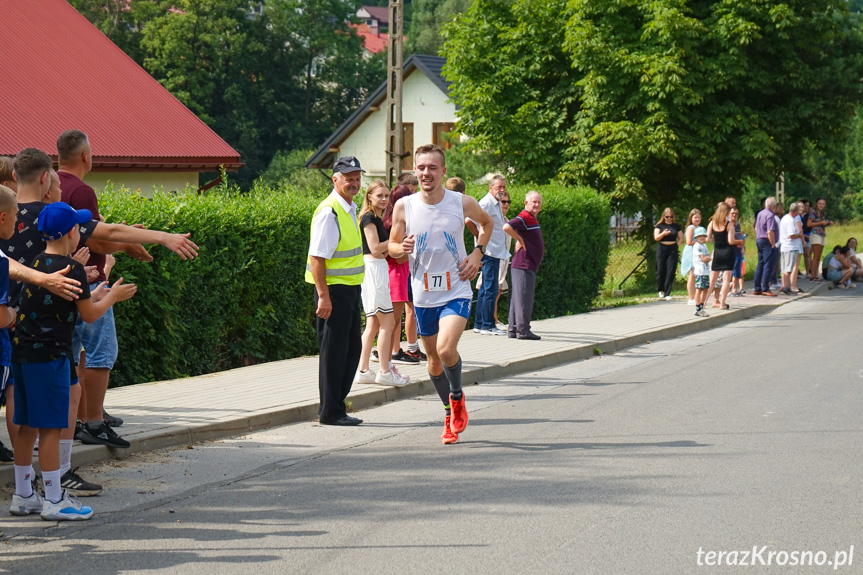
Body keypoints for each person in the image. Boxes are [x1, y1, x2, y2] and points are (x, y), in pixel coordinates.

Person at [55, 131, 199, 450]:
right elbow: (95, 238)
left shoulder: (53, 187)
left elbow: (93, 234)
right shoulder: (80, 189)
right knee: (101, 352)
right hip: (88, 280)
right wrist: (136, 240)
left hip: (59, 280)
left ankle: (79, 418)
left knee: (72, 351)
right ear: (85, 156)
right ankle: (93, 421)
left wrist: (125, 242)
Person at [9, 201, 136, 521]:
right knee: (51, 428)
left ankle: (24, 494)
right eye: (79, 228)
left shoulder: (37, 263)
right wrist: (111, 297)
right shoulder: (73, 268)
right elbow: (89, 315)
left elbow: (68, 304)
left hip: (23, 354)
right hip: (51, 358)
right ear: (69, 233)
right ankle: (54, 498)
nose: (81, 232)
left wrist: (96, 293)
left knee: (26, 426)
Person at [388, 144, 492, 444]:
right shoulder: (404, 206)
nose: (426, 173)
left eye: (432, 167)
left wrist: (477, 253)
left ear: (443, 171)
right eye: (421, 167)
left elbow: (487, 224)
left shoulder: (461, 202)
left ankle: (457, 397)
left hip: (456, 287)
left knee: (447, 350)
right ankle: (448, 412)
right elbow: (393, 247)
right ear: (415, 171)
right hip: (423, 295)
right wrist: (400, 249)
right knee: (433, 361)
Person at [305, 156, 366, 426]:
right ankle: (331, 411)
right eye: (348, 178)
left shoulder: (349, 208)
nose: (353, 182)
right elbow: (317, 257)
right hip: (334, 292)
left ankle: (334, 406)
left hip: (349, 290)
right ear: (335, 180)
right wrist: (323, 296)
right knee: (335, 353)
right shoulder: (329, 211)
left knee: (351, 350)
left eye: (356, 177)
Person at [353, 180, 408, 387]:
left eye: (386, 196)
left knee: (373, 323)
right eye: (379, 196)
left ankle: (363, 369)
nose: (384, 199)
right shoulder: (368, 218)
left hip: (378, 268)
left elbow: (382, 251)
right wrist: (395, 239)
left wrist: (395, 245)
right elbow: (375, 248)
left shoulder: (375, 217)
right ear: (369, 197)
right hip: (373, 269)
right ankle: (384, 371)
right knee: (388, 323)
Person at [381, 185, 425, 365]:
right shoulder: (398, 225)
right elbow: (398, 258)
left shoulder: (386, 221)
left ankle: (394, 352)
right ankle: (392, 355)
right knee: (393, 319)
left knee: (391, 319)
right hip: (397, 273)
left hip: (394, 272)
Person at [504, 191, 544, 340]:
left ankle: (513, 329)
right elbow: (507, 227)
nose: (537, 204)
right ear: (526, 203)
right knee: (524, 299)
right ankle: (523, 330)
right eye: (534, 202)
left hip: (526, 265)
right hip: (523, 264)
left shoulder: (531, 218)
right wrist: (519, 239)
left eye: (539, 202)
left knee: (518, 298)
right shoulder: (524, 217)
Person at [473, 175, 509, 335]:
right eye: (498, 187)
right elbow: (470, 221)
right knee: (489, 289)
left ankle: (480, 324)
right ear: (490, 187)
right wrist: (480, 245)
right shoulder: (486, 203)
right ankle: (487, 324)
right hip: (489, 251)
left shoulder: (495, 204)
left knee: (488, 289)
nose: (501, 190)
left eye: (503, 187)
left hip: (494, 251)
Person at [707, 202, 734, 309]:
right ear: (726, 212)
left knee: (712, 279)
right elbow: (731, 241)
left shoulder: (712, 223)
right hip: (727, 252)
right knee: (726, 279)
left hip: (717, 252)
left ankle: (703, 302)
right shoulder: (729, 224)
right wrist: (740, 241)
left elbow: (708, 238)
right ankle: (722, 303)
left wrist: (716, 239)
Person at [653, 207, 682, 300]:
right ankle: (661, 290)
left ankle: (667, 292)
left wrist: (677, 245)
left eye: (671, 217)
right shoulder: (659, 226)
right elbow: (656, 238)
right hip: (662, 248)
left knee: (670, 271)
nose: (669, 219)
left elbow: (681, 238)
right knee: (661, 270)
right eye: (667, 217)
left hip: (672, 248)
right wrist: (663, 234)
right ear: (664, 217)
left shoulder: (676, 226)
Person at [753, 197, 778, 296]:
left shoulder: (760, 213)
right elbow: (770, 231)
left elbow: (755, 227)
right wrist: (772, 243)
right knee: (768, 265)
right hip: (766, 241)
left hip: (759, 239)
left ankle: (757, 287)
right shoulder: (770, 215)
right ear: (774, 206)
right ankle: (765, 288)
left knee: (760, 264)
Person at [779, 202, 804, 295]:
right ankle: (786, 287)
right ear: (796, 211)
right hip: (790, 247)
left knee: (784, 268)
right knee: (788, 269)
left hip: (784, 246)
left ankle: (784, 286)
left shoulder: (784, 217)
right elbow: (791, 235)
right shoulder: (790, 220)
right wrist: (800, 235)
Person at [680, 209, 702, 305]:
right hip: (691, 252)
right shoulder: (691, 228)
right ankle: (691, 298)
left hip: (698, 252)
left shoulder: (700, 228)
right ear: (691, 218)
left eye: (698, 217)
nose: (697, 219)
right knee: (692, 274)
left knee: (697, 274)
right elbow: (689, 242)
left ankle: (697, 296)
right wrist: (699, 241)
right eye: (695, 217)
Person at [808, 197, 832, 281]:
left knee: (818, 256)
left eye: (823, 204)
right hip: (815, 234)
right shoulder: (813, 212)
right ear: (816, 203)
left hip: (821, 233)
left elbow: (822, 223)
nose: (821, 205)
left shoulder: (822, 213)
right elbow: (809, 224)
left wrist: (827, 223)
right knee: (816, 256)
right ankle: (813, 275)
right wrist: (821, 223)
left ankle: (816, 275)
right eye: (820, 203)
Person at [691, 226, 711, 317]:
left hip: (706, 271)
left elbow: (708, 255)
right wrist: (710, 258)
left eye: (703, 235)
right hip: (700, 271)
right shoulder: (697, 246)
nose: (702, 237)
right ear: (696, 237)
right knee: (699, 289)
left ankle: (702, 306)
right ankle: (698, 308)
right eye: (700, 236)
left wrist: (709, 257)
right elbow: (704, 258)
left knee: (706, 289)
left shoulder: (704, 246)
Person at [728, 207, 746, 296]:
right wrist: (738, 242)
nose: (734, 215)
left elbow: (739, 236)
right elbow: (729, 239)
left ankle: (734, 288)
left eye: (736, 213)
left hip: (738, 250)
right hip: (731, 250)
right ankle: (732, 289)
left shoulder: (737, 225)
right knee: (733, 269)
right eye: (732, 213)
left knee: (738, 270)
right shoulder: (728, 224)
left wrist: (741, 241)